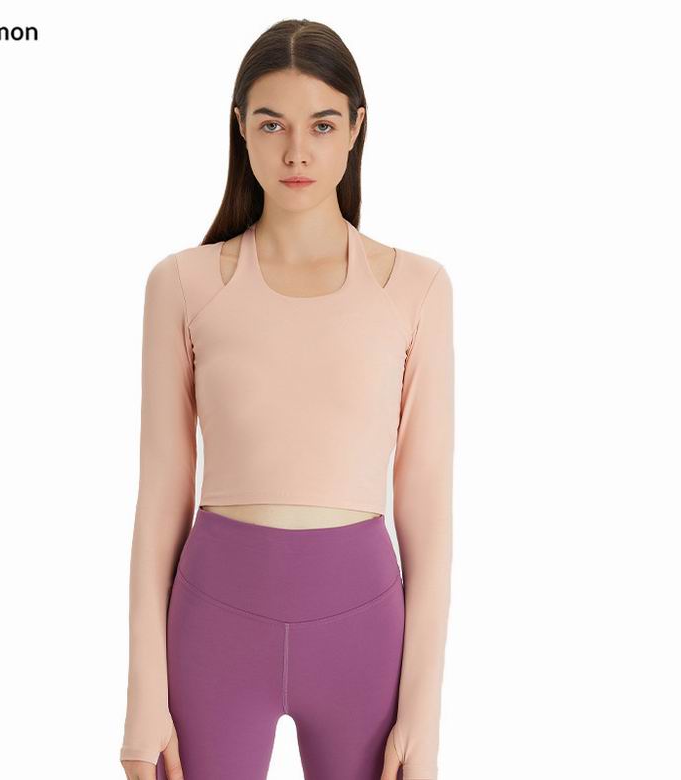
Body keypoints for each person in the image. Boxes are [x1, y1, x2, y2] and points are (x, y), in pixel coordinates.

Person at [119, 18, 454, 780]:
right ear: (240, 128)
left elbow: (428, 514)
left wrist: (424, 713)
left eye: (321, 125)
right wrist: (143, 694)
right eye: (272, 124)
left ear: (356, 128)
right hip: (212, 629)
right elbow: (161, 496)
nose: (297, 151)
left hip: (364, 640)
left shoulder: (417, 289)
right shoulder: (182, 285)